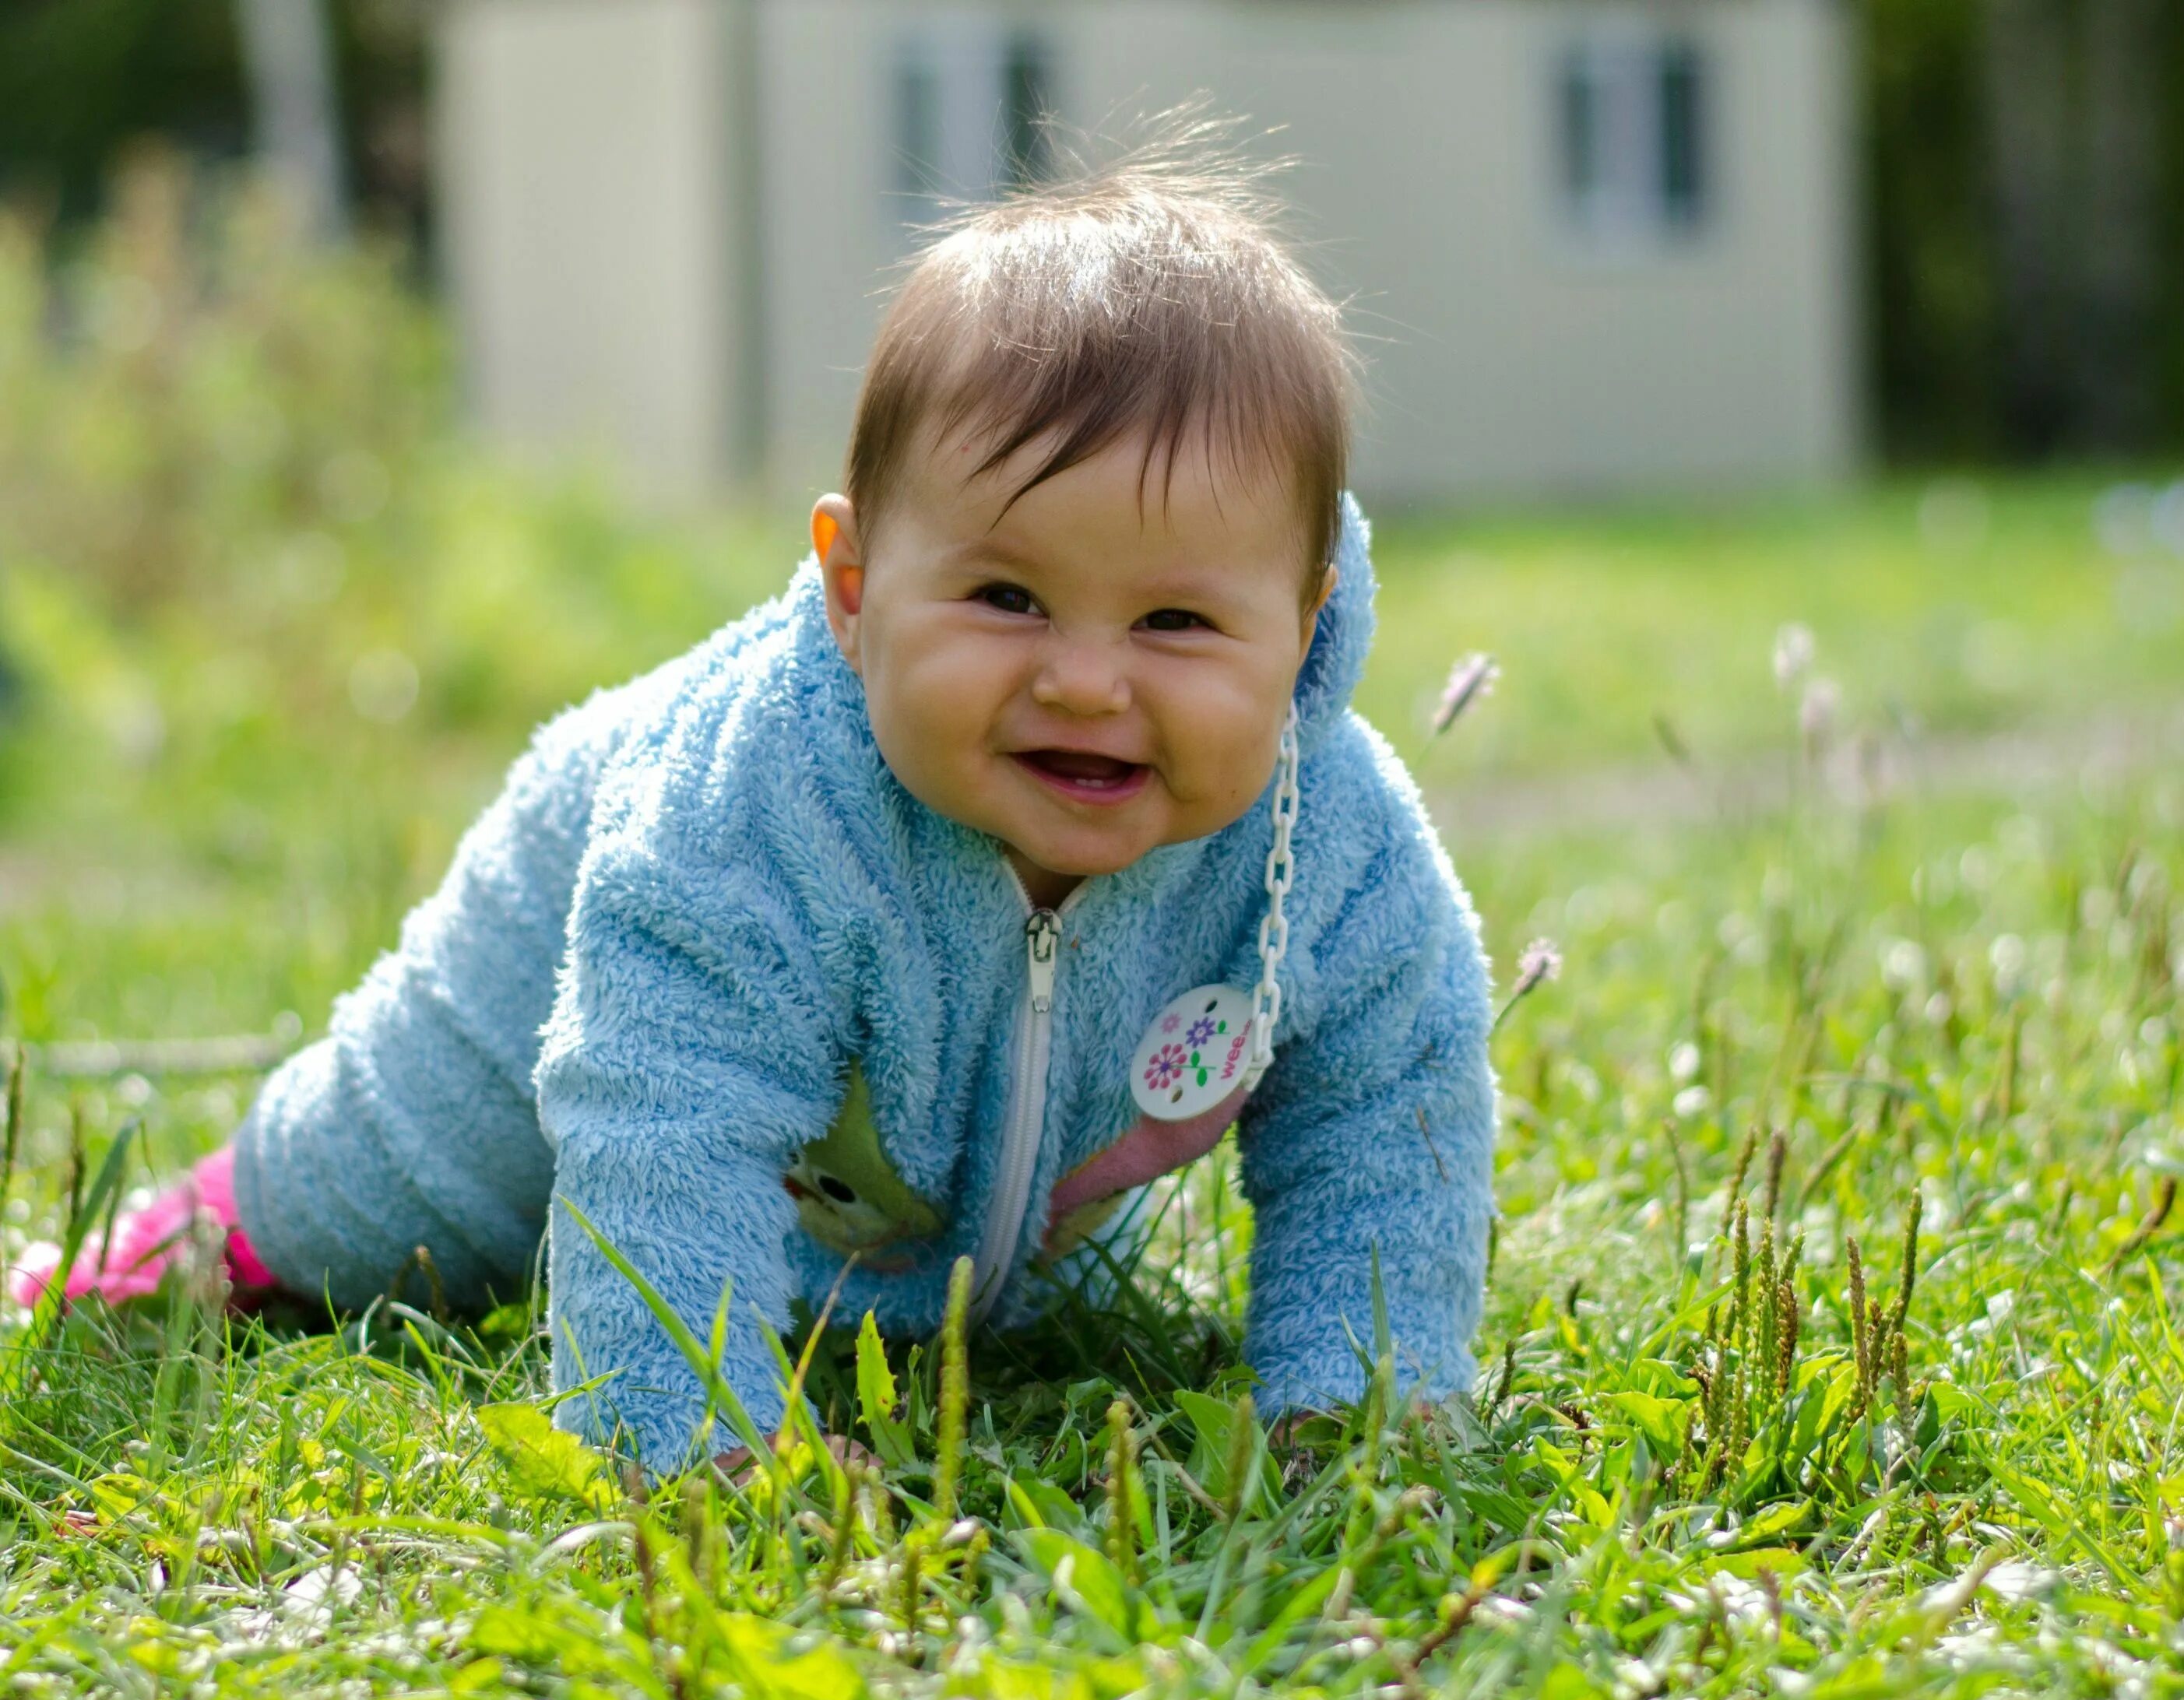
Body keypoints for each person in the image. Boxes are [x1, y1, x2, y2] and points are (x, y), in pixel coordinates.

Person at [19, 138, 1497, 1470]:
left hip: (910, 1198)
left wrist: (1361, 1397)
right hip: (554, 931)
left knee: (948, 1256)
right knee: (386, 1185)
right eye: (1005, 595)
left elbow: (1392, 1101)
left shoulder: (1335, 855)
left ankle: (892, 1284)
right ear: (855, 591)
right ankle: (192, 1234)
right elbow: (661, 1118)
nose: (1087, 682)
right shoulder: (744, 809)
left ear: (1300, 625)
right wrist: (694, 1435)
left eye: (1175, 622)